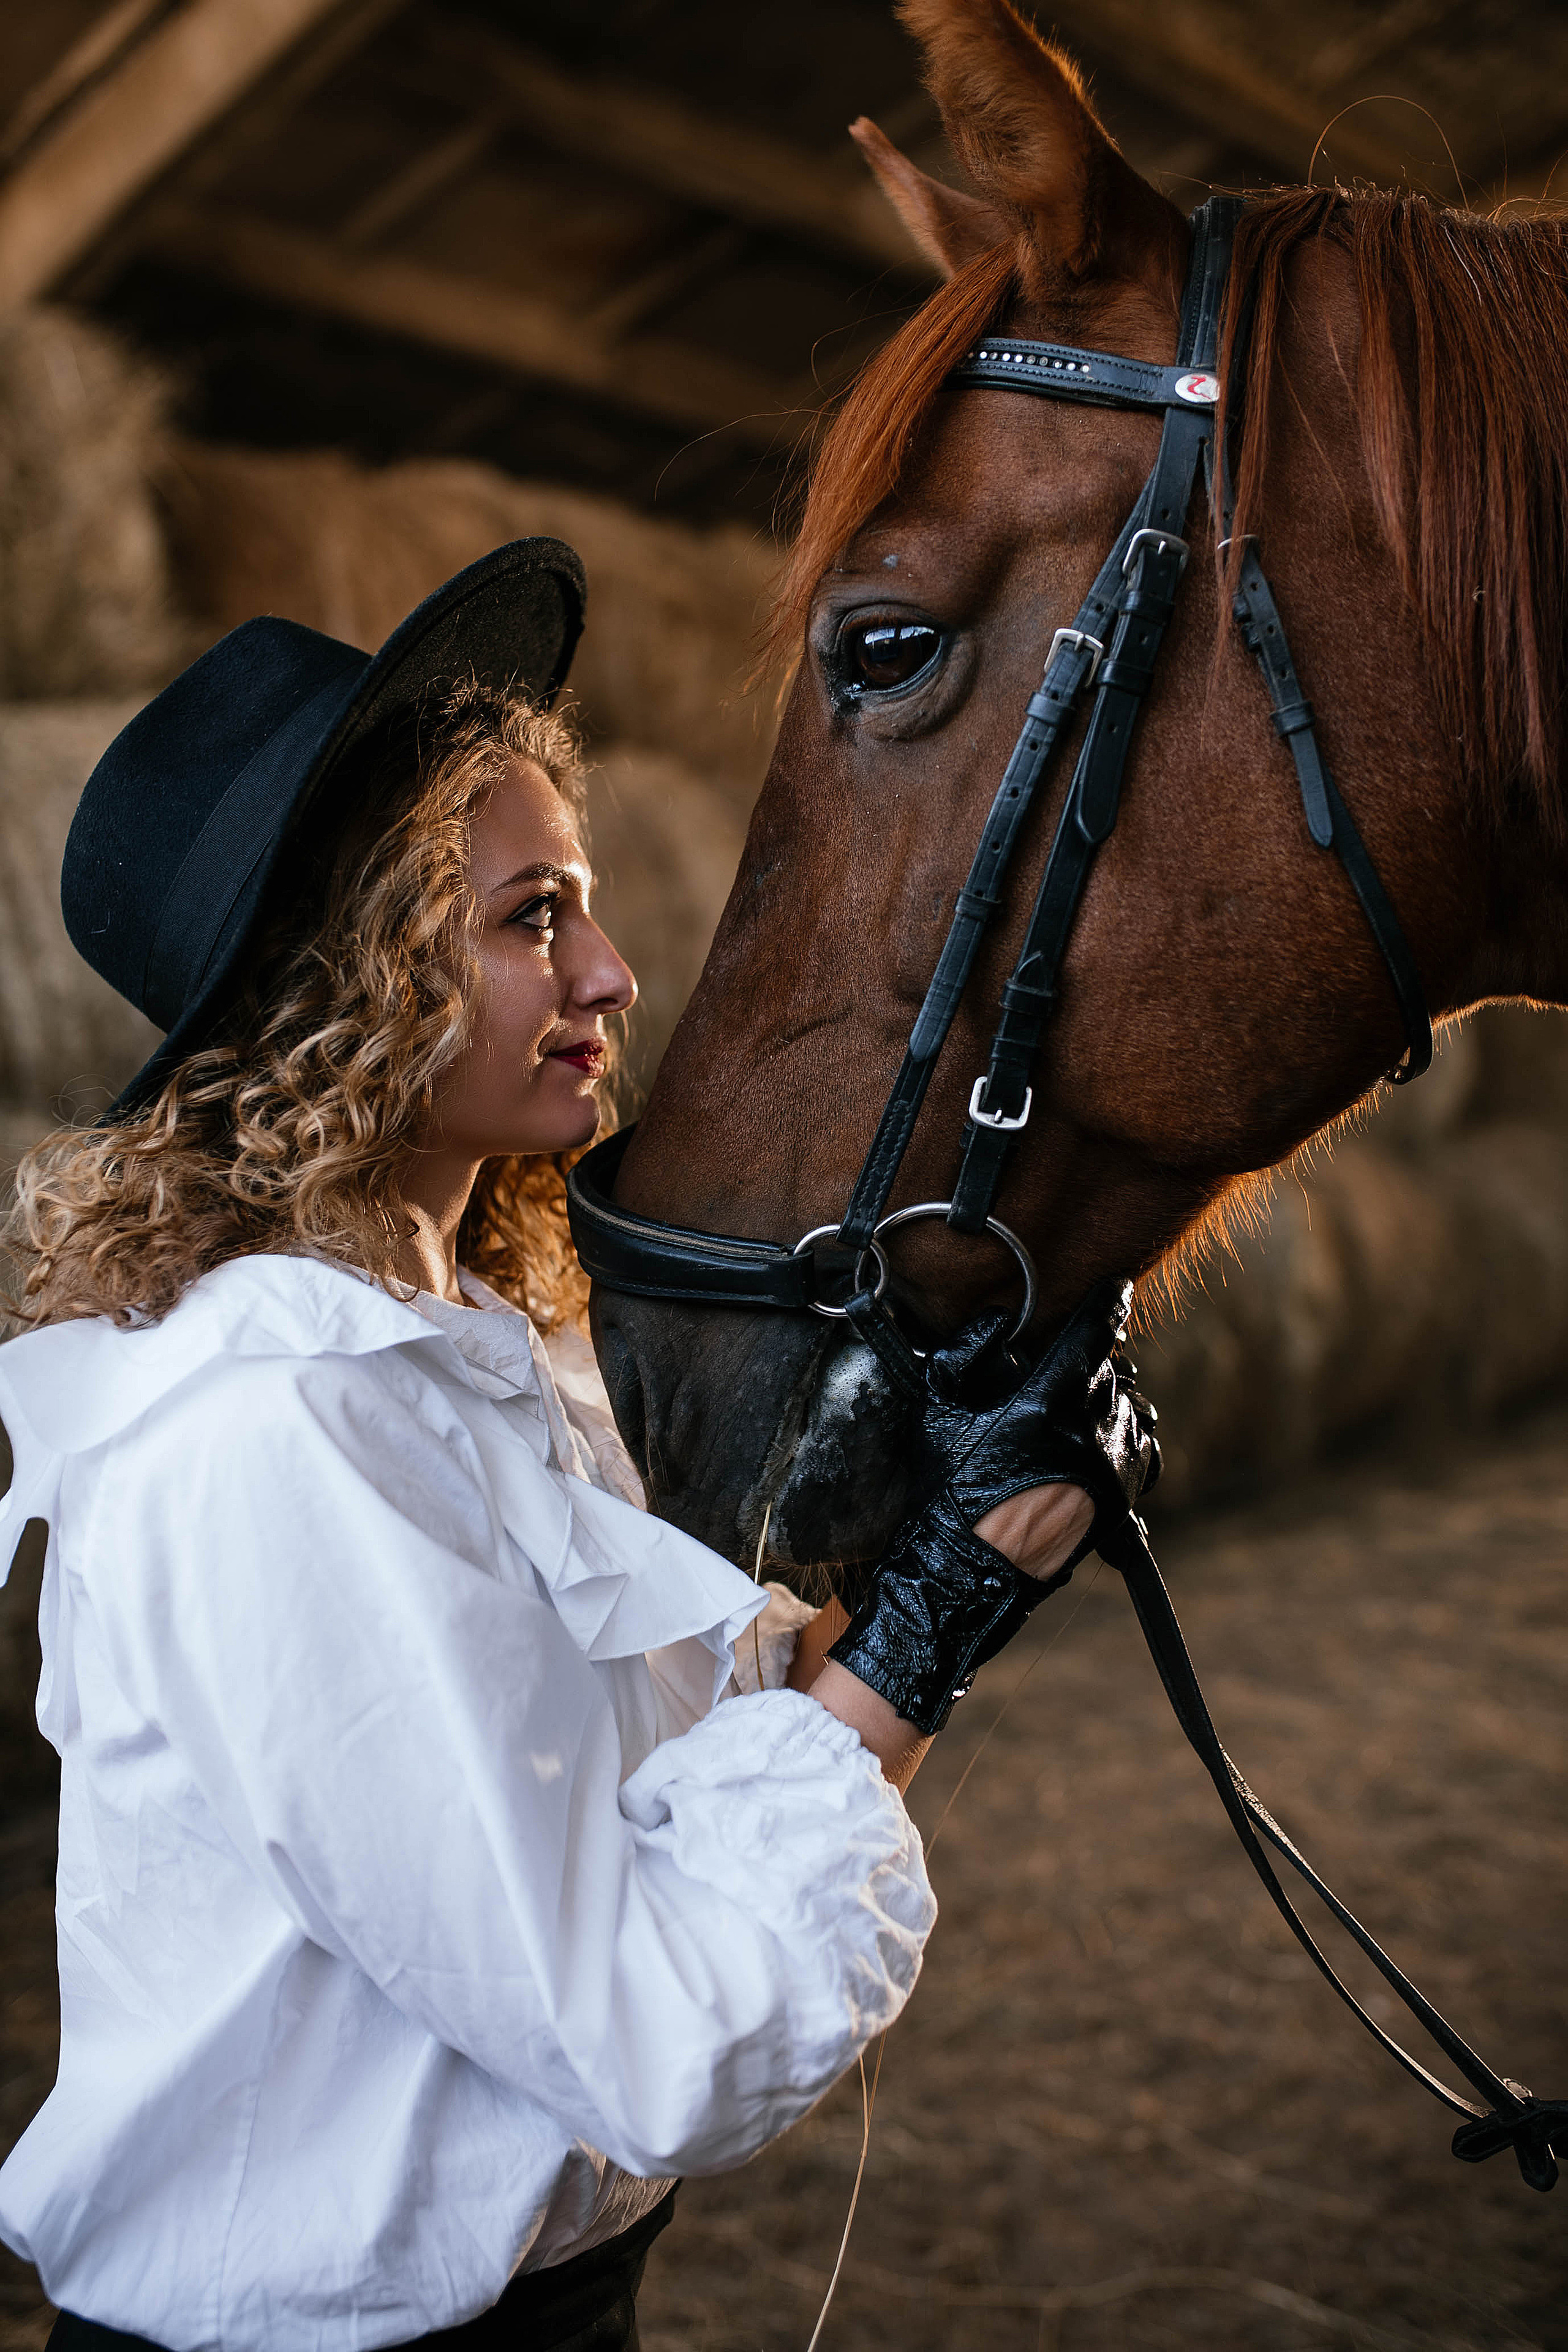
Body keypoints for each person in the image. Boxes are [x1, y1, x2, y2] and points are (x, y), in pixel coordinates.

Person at [0, 541, 1157, 2352]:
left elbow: (721, 1779)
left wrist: (946, 1498)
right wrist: (934, 1622)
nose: (614, 971)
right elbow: (657, 2035)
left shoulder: (480, 1349)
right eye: (530, 916)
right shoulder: (270, 1434)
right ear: (351, 977)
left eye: (587, 903)